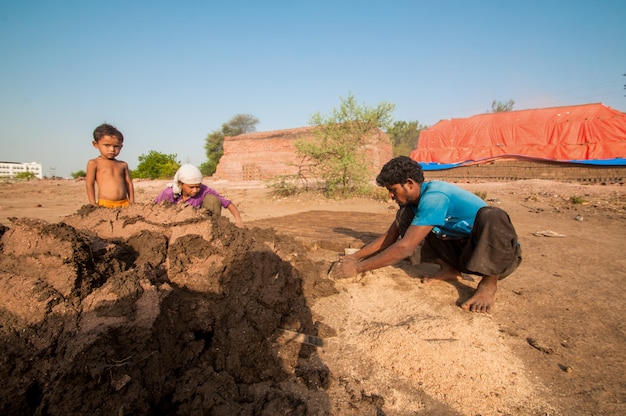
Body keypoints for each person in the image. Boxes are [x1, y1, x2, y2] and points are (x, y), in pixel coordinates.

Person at [329, 156, 522, 313]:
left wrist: (358, 268)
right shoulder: (414, 204)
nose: (390, 196)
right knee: (405, 217)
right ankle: (450, 269)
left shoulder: (435, 196)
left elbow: (405, 247)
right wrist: (353, 257)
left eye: (393, 190)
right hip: (461, 252)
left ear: (409, 184)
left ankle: (488, 285)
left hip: (494, 256)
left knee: (492, 215)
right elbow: (390, 237)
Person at [154, 164, 244, 227]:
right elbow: (153, 209)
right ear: (180, 184)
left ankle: (213, 228)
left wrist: (238, 219)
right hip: (173, 225)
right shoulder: (168, 193)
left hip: (199, 225)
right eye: (191, 187)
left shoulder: (204, 190)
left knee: (213, 199)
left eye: (198, 186)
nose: (195, 190)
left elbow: (227, 203)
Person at [86, 123, 134, 208]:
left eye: (116, 146)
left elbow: (129, 183)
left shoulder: (123, 165)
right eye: (107, 145)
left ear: (121, 146)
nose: (112, 149)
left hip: (124, 203)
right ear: (95, 144)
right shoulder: (94, 163)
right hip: (105, 204)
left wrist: (132, 201)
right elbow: (90, 184)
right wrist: (92, 203)